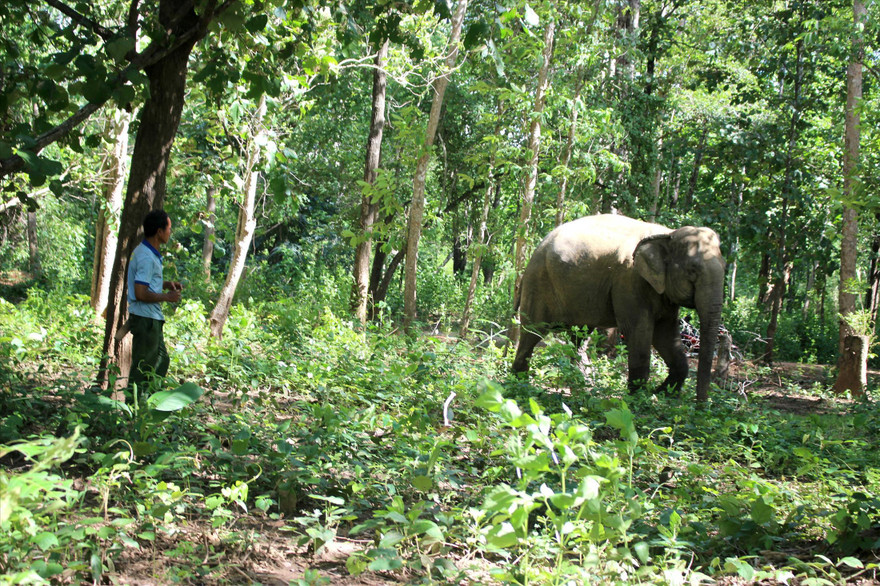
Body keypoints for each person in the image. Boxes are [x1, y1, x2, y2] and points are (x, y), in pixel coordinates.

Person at [127, 209, 182, 396]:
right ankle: (133, 413)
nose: (170, 232)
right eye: (168, 228)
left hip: (151, 319)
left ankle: (150, 404)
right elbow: (140, 292)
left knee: (161, 361)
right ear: (159, 231)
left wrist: (165, 284)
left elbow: (146, 283)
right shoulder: (146, 257)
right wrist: (167, 297)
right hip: (145, 320)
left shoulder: (148, 253)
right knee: (142, 369)